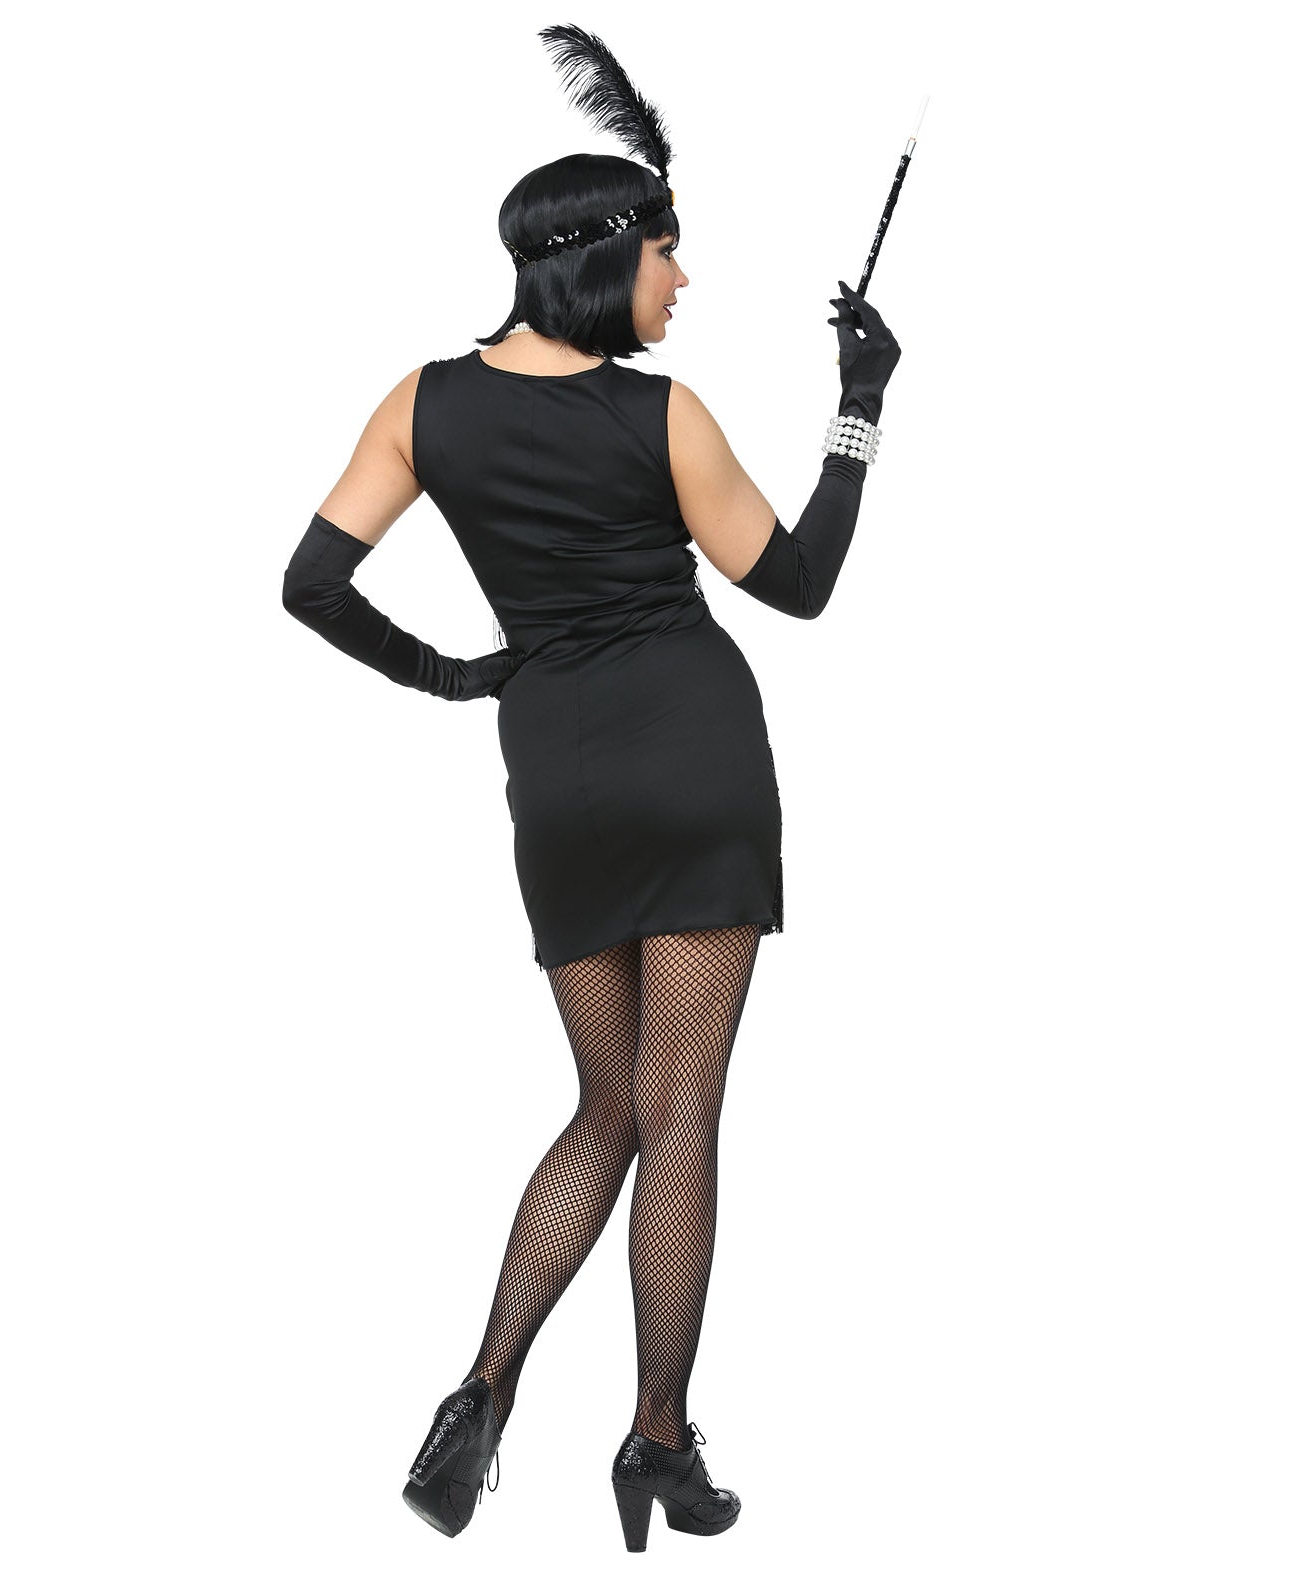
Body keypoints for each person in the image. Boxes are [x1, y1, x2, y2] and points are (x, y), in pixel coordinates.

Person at [280, 24, 901, 1553]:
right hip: (694, 761)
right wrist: (857, 404)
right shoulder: (659, 414)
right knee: (678, 1109)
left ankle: (477, 1398)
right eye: (667, 255)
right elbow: (797, 584)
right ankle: (655, 1441)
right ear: (605, 257)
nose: (680, 283)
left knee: (604, 1105)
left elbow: (311, 584)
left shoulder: (421, 403)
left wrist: (455, 678)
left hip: (553, 772)